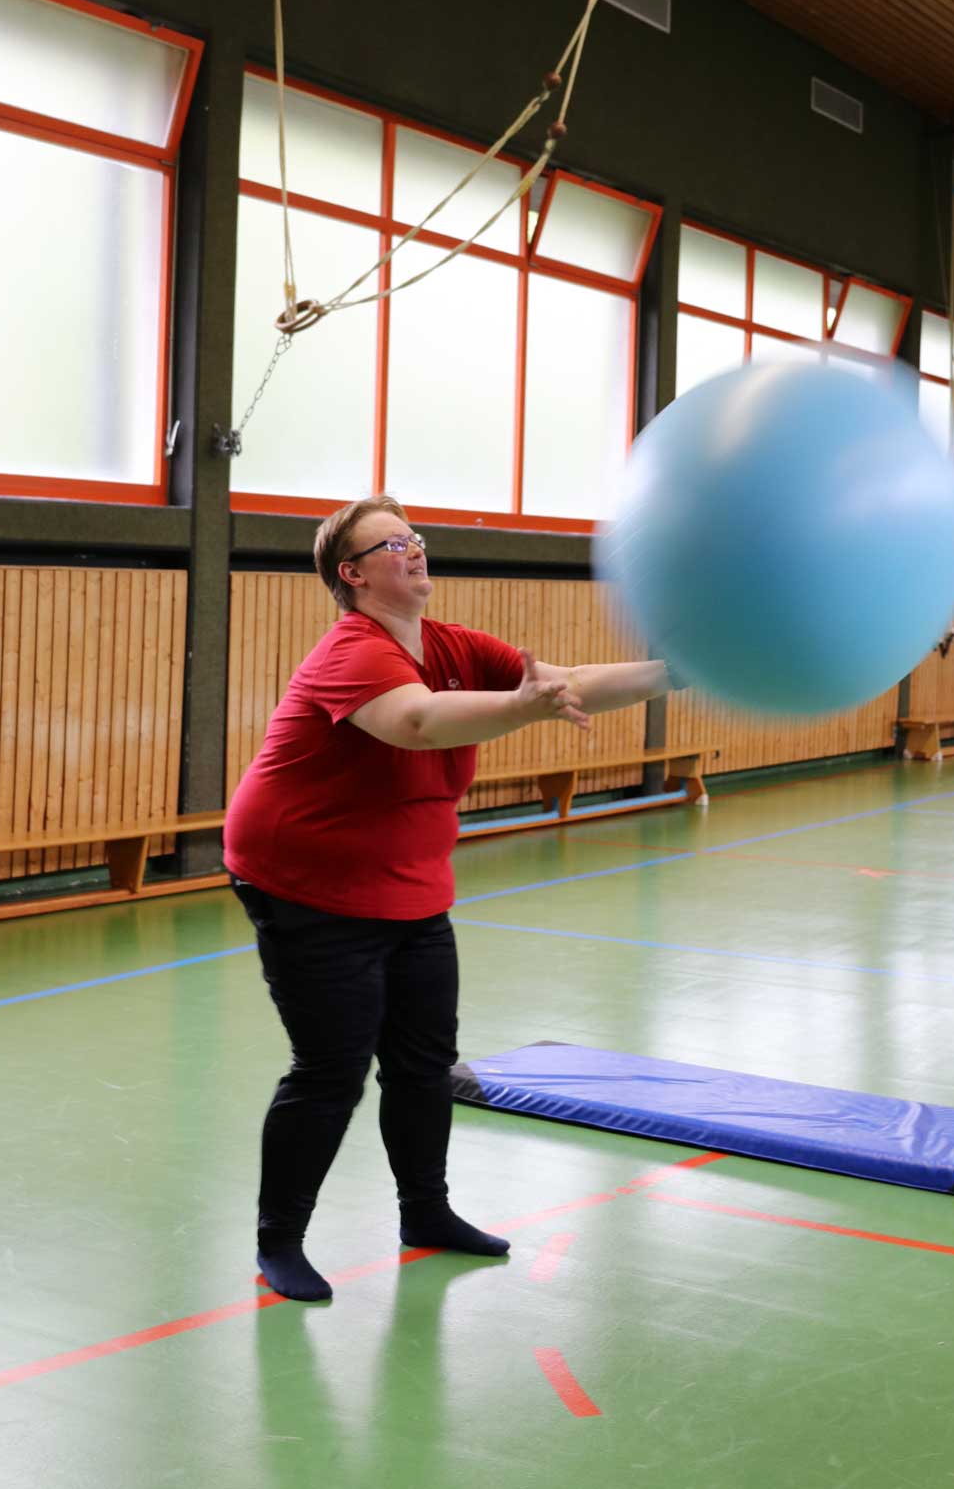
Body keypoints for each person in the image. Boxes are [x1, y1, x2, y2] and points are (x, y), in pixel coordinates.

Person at [224, 495, 675, 1302]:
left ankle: (425, 1213)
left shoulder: (452, 645)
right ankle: (278, 1242)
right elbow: (420, 724)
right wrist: (522, 706)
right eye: (393, 543)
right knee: (330, 1070)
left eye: (416, 538)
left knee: (425, 1063)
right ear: (352, 574)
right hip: (305, 883)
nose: (415, 549)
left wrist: (678, 670)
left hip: (407, 883)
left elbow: (562, 684)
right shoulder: (351, 653)